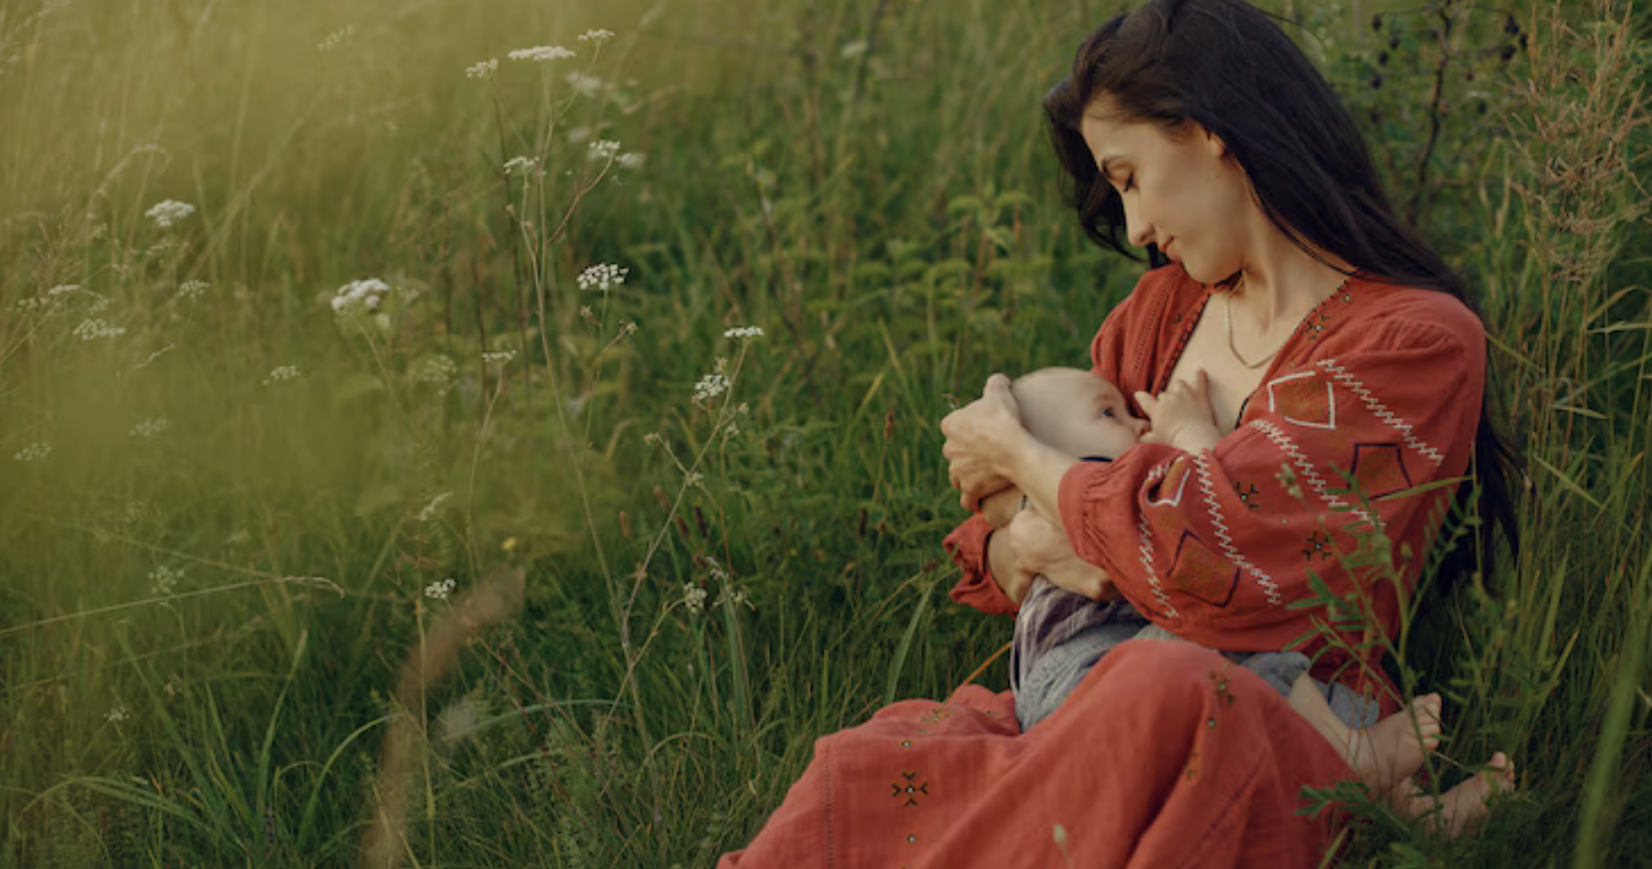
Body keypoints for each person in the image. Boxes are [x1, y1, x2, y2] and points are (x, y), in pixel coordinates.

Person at [720, 0, 1518, 865]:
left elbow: (1220, 553)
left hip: (1289, 713)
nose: (1134, 228)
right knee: (865, 768)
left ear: (1210, 129)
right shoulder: (1160, 314)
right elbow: (1010, 532)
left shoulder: (1412, 342)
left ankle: (1372, 797)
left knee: (1161, 687)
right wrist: (1042, 539)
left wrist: (1029, 463)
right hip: (1087, 686)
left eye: (1130, 175)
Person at [987, 366, 1451, 808]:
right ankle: (1350, 759)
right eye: (1109, 414)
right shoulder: (1078, 489)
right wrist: (1188, 430)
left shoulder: (1063, 502)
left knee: (1280, 682)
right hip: (1080, 679)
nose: (1140, 423)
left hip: (1088, 683)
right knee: (1216, 625)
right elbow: (1208, 512)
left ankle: (1414, 813)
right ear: (1046, 449)